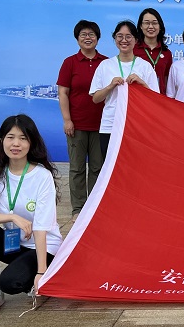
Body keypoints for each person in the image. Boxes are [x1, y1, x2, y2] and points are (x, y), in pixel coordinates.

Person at [0, 115, 63, 318]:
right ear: (1, 140)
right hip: (15, 244)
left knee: (10, 282)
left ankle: (37, 277)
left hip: (43, 247)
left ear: (31, 142)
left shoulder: (42, 176)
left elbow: (40, 228)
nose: (16, 144)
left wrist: (40, 272)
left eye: (22, 138)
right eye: (10, 137)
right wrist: (11, 218)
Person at [57, 20, 107, 221]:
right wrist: (67, 120)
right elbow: (63, 93)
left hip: (101, 125)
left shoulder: (106, 63)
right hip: (76, 125)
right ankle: (78, 208)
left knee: (97, 168)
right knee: (77, 168)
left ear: (98, 38)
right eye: (83, 34)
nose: (88, 38)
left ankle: (94, 208)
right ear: (77, 39)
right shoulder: (70, 62)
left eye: (91, 34)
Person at [90, 21, 159, 159]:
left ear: (136, 40)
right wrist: (110, 86)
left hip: (137, 127)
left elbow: (155, 100)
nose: (124, 40)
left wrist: (142, 83)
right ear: (115, 38)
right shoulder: (105, 65)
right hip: (110, 126)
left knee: (136, 166)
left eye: (128, 36)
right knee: (110, 167)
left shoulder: (145, 66)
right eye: (120, 36)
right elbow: (96, 99)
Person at [134, 8, 172, 94]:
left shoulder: (167, 53)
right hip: (139, 97)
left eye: (154, 23)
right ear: (140, 26)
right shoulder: (133, 50)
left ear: (160, 26)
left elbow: (167, 80)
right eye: (147, 23)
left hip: (159, 98)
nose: (151, 27)